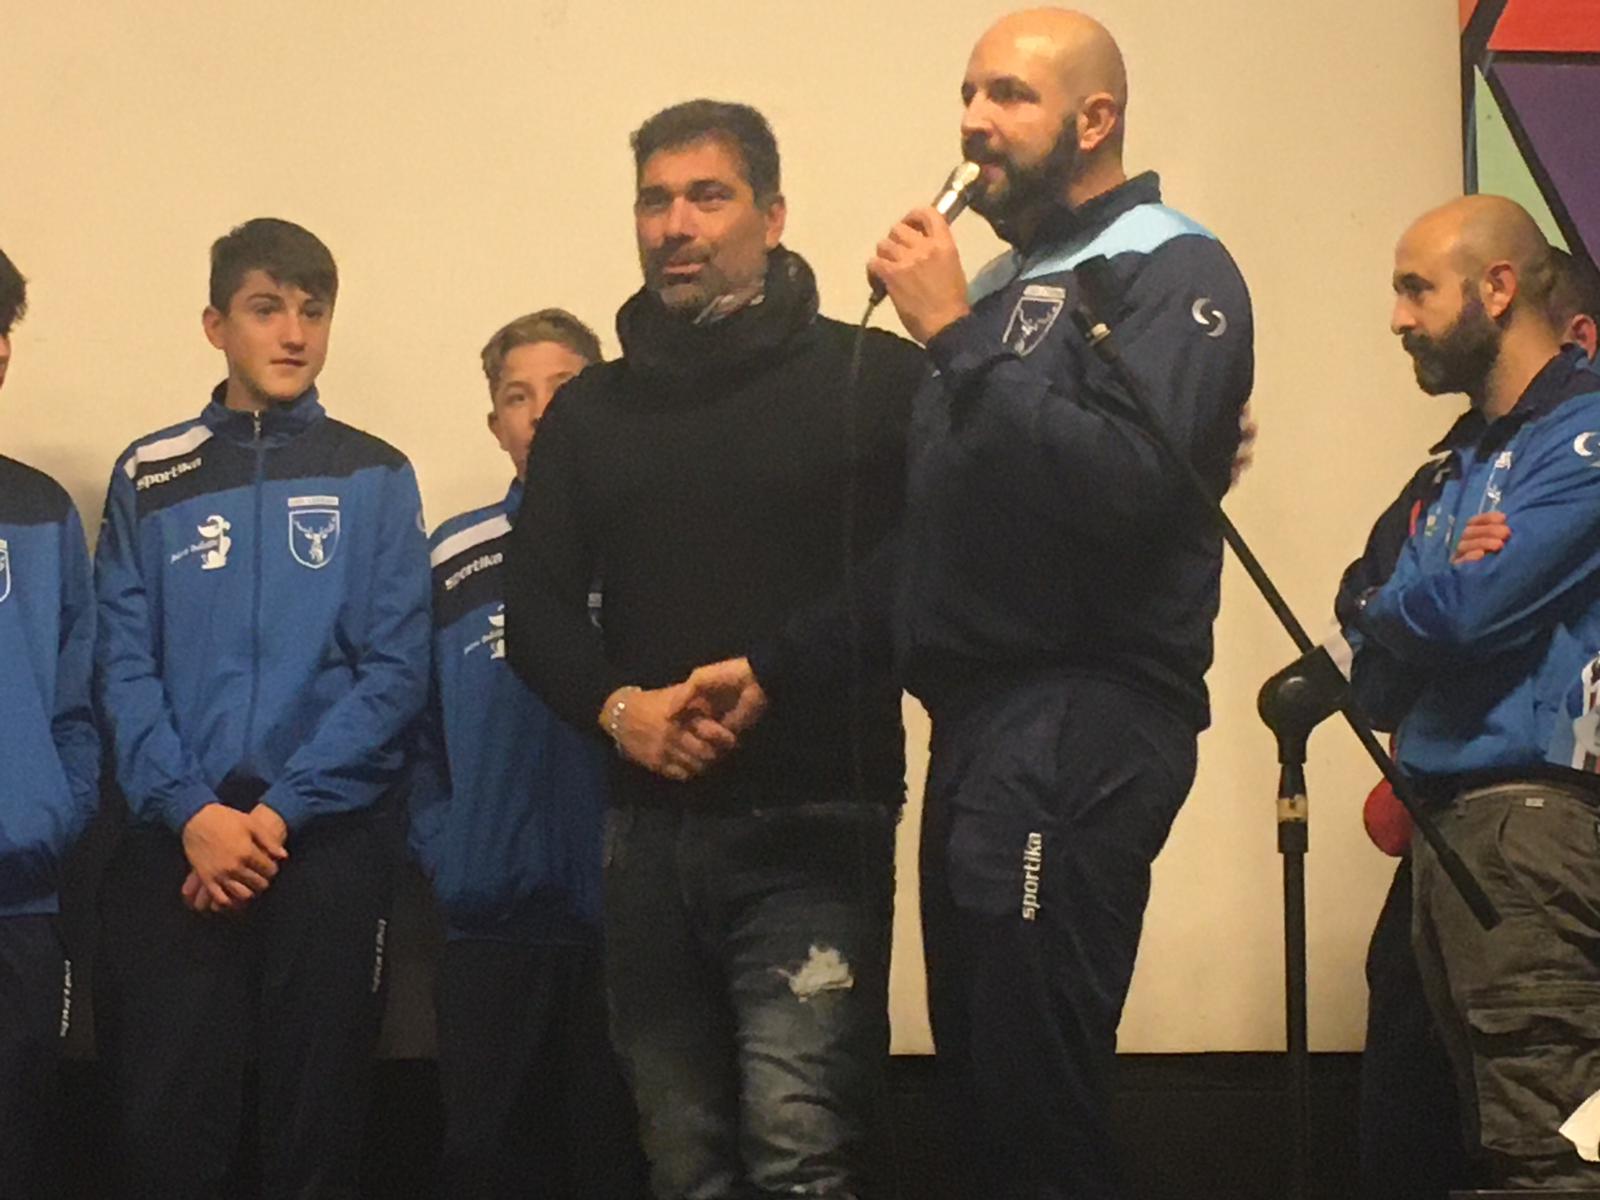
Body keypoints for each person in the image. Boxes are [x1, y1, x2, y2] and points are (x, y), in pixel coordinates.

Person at [503, 100, 927, 1199]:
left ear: (773, 217)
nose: (675, 225)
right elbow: (532, 609)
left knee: (801, 1152)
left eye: (707, 196)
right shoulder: (591, 411)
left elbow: (936, 562)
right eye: (655, 200)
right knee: (682, 1160)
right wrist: (618, 711)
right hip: (646, 835)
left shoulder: (873, 380)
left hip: (816, 823)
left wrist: (781, 668)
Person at [867, 10, 1253, 1198]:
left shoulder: (1169, 264)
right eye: (967, 93)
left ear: (1094, 120)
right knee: (982, 1091)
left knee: (1035, 1093)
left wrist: (951, 337)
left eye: (1009, 96)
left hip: (1080, 710)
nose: (974, 121)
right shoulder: (998, 285)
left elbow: (1131, 484)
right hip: (977, 723)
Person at [93, 217, 431, 1198]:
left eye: (313, 312)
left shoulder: (375, 473)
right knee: (168, 1132)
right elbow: (122, 668)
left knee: (315, 1136)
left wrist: (278, 815)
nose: (293, 333)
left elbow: (394, 673)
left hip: (321, 845)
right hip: (179, 845)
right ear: (215, 325)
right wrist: (194, 814)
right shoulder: (149, 474)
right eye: (266, 308)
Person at [1347, 194, 1600, 1191]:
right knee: (1451, 1147)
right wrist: (1420, 590)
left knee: (1545, 1157)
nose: (1398, 318)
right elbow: (1371, 660)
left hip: (1531, 826)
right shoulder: (1459, 462)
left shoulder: (1585, 433)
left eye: (1416, 289)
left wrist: (1423, 596)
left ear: (1496, 289)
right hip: (1442, 829)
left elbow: (1467, 614)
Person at [409, 308, 645, 1199]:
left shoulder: (650, 543)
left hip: (624, 928)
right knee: (484, 1163)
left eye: (565, 389)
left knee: (615, 1165)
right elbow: (416, 733)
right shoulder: (454, 557)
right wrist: (450, 849)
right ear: (495, 423)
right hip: (488, 928)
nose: (541, 413)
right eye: (518, 396)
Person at [0, 247, 98, 1200]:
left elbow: (76, 703)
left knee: (18, 1151)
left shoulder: (41, 510)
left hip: (20, 905)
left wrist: (52, 814)